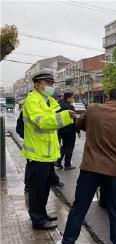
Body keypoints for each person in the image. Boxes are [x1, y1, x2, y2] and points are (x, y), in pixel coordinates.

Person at [56, 88, 116, 244]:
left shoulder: (93, 109)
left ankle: (67, 243)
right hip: (115, 172)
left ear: (108, 98)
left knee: (79, 207)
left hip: (90, 169)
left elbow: (80, 125)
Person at [21, 70, 75, 230]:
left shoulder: (47, 101)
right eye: (48, 83)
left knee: (44, 188)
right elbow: (43, 122)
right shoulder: (32, 101)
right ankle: (38, 220)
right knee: (37, 190)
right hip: (37, 154)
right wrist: (66, 116)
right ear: (37, 85)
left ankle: (42, 214)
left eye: (52, 84)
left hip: (47, 155)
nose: (51, 86)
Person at [55, 92, 80, 170]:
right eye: (72, 97)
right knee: (69, 147)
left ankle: (58, 162)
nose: (73, 99)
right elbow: (74, 119)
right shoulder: (70, 107)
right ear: (68, 98)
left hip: (61, 130)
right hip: (70, 130)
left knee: (64, 146)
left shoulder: (59, 106)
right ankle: (67, 164)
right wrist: (78, 131)